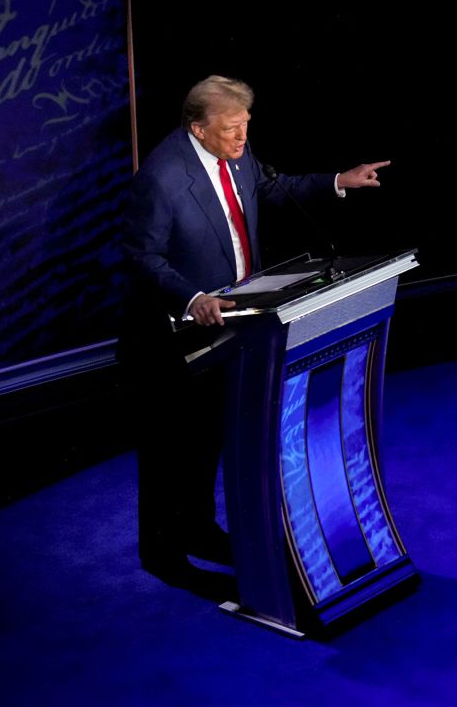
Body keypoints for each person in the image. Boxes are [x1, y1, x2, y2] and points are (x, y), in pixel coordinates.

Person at [119, 75, 389, 586]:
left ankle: (198, 529)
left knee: (205, 440)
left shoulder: (236, 150)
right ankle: (161, 553)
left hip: (231, 327)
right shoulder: (163, 177)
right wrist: (193, 297)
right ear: (198, 129)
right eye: (232, 129)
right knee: (168, 448)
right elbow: (140, 256)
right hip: (170, 340)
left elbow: (267, 188)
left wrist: (336, 181)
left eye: (246, 126)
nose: (242, 138)